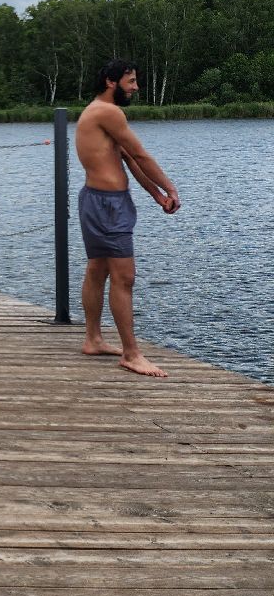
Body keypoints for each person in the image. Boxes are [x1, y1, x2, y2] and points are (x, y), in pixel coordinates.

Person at [74, 58, 180, 378]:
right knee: (124, 277)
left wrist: (157, 195)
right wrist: (171, 187)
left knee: (98, 269)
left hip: (97, 201)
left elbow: (130, 160)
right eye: (131, 81)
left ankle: (93, 339)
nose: (135, 88)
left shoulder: (96, 112)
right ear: (111, 81)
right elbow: (143, 154)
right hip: (107, 206)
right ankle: (132, 354)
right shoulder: (108, 111)